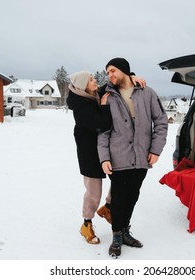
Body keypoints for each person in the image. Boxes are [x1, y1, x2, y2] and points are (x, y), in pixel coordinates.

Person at [97, 58, 168, 257]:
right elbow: (103, 131)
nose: (110, 75)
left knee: (133, 195)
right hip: (117, 156)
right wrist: (104, 158)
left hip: (142, 156)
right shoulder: (107, 97)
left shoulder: (147, 93)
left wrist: (155, 150)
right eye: (108, 72)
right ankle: (117, 235)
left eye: (113, 71)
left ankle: (125, 230)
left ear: (124, 71)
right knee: (119, 197)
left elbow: (161, 122)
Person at [67, 70, 146, 245]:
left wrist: (131, 76)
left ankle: (108, 208)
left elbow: (113, 82)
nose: (95, 81)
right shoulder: (80, 106)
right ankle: (86, 223)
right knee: (94, 192)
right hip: (89, 154)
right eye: (91, 79)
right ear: (83, 85)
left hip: (107, 150)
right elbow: (101, 124)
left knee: (120, 181)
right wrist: (104, 105)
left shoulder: (95, 93)